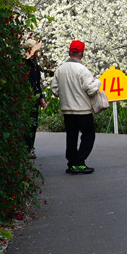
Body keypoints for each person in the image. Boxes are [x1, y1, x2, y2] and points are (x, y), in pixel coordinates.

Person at [50, 40, 100, 175]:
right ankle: (79, 162)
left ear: (69, 52)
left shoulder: (60, 69)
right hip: (82, 109)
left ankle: (71, 163)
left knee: (71, 136)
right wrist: (97, 82)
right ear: (82, 54)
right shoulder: (82, 70)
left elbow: (54, 89)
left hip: (67, 109)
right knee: (88, 135)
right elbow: (91, 90)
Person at [24, 40, 47, 157]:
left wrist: (42, 98)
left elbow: (37, 84)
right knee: (28, 124)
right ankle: (25, 148)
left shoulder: (35, 65)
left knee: (34, 124)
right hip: (27, 98)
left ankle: (29, 148)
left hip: (35, 98)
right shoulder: (24, 65)